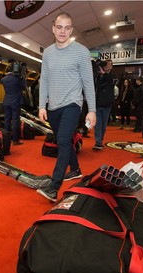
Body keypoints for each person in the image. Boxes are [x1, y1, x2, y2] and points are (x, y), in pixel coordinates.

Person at [36, 12, 97, 202]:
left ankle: (54, 187)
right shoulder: (47, 52)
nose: (63, 31)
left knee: (62, 140)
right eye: (59, 27)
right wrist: (41, 105)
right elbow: (44, 80)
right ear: (53, 28)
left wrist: (92, 110)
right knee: (64, 140)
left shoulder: (81, 51)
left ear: (71, 29)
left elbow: (88, 83)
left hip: (73, 104)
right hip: (53, 107)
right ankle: (76, 169)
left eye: (67, 27)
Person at [1, 62, 28, 145]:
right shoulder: (18, 79)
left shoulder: (3, 79)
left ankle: (7, 139)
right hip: (16, 102)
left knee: (7, 120)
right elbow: (24, 87)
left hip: (6, 102)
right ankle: (15, 140)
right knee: (15, 120)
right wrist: (23, 77)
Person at [93, 59, 116, 150]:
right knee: (98, 124)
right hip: (97, 103)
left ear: (111, 66)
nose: (107, 65)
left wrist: (103, 73)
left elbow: (111, 81)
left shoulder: (113, 76)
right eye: (106, 64)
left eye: (109, 64)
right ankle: (98, 142)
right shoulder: (97, 76)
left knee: (104, 125)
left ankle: (100, 139)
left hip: (107, 103)